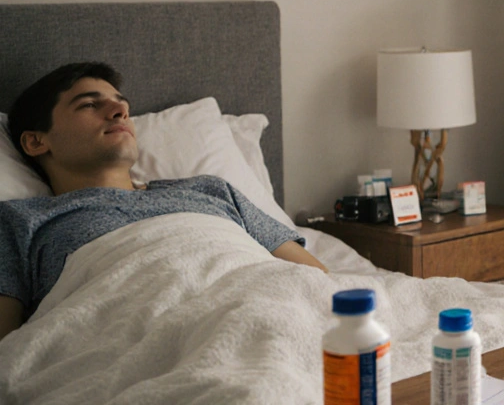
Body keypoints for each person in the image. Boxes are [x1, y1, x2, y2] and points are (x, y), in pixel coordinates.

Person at [0, 62, 327, 343]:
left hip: (269, 311)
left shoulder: (210, 190)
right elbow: (7, 346)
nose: (120, 112)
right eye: (88, 105)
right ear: (36, 141)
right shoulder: (20, 221)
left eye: (121, 104)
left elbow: (316, 281)